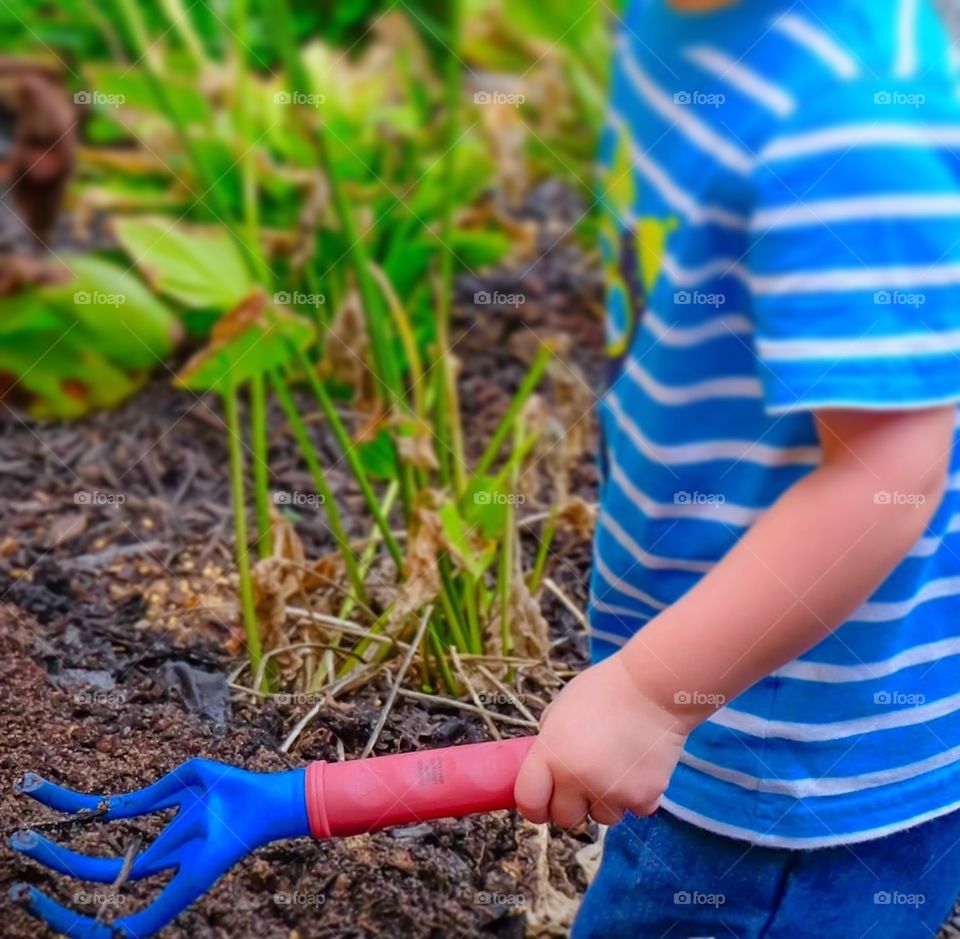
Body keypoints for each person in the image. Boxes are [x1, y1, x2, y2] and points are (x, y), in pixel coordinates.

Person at [513, 1, 960, 935]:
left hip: (798, 767)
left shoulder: (843, 115)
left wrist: (652, 693)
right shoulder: (676, 20)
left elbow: (884, 476)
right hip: (713, 698)